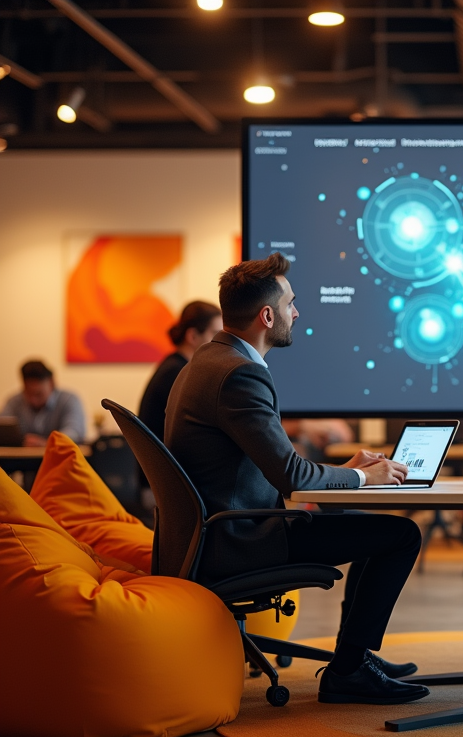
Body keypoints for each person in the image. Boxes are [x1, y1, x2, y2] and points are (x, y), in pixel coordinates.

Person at [165, 253, 428, 706]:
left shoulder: (208, 362)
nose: (297, 312)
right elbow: (290, 476)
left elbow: (276, 463)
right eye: (291, 303)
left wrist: (349, 470)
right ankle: (348, 670)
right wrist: (363, 478)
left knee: (373, 530)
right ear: (267, 316)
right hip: (239, 538)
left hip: (215, 531)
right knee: (400, 534)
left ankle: (354, 657)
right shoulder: (239, 374)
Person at [138, 300, 223, 443]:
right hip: (166, 464)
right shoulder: (176, 373)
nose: (220, 342)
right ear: (192, 336)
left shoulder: (173, 365)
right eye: (215, 334)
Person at [1, 360, 86, 446]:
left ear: (52, 383)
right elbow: (3, 428)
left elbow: (74, 432)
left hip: (59, 458)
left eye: (39, 394)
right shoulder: (14, 402)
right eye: (28, 394)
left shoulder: (69, 400)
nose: (33, 400)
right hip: (19, 458)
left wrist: (47, 443)